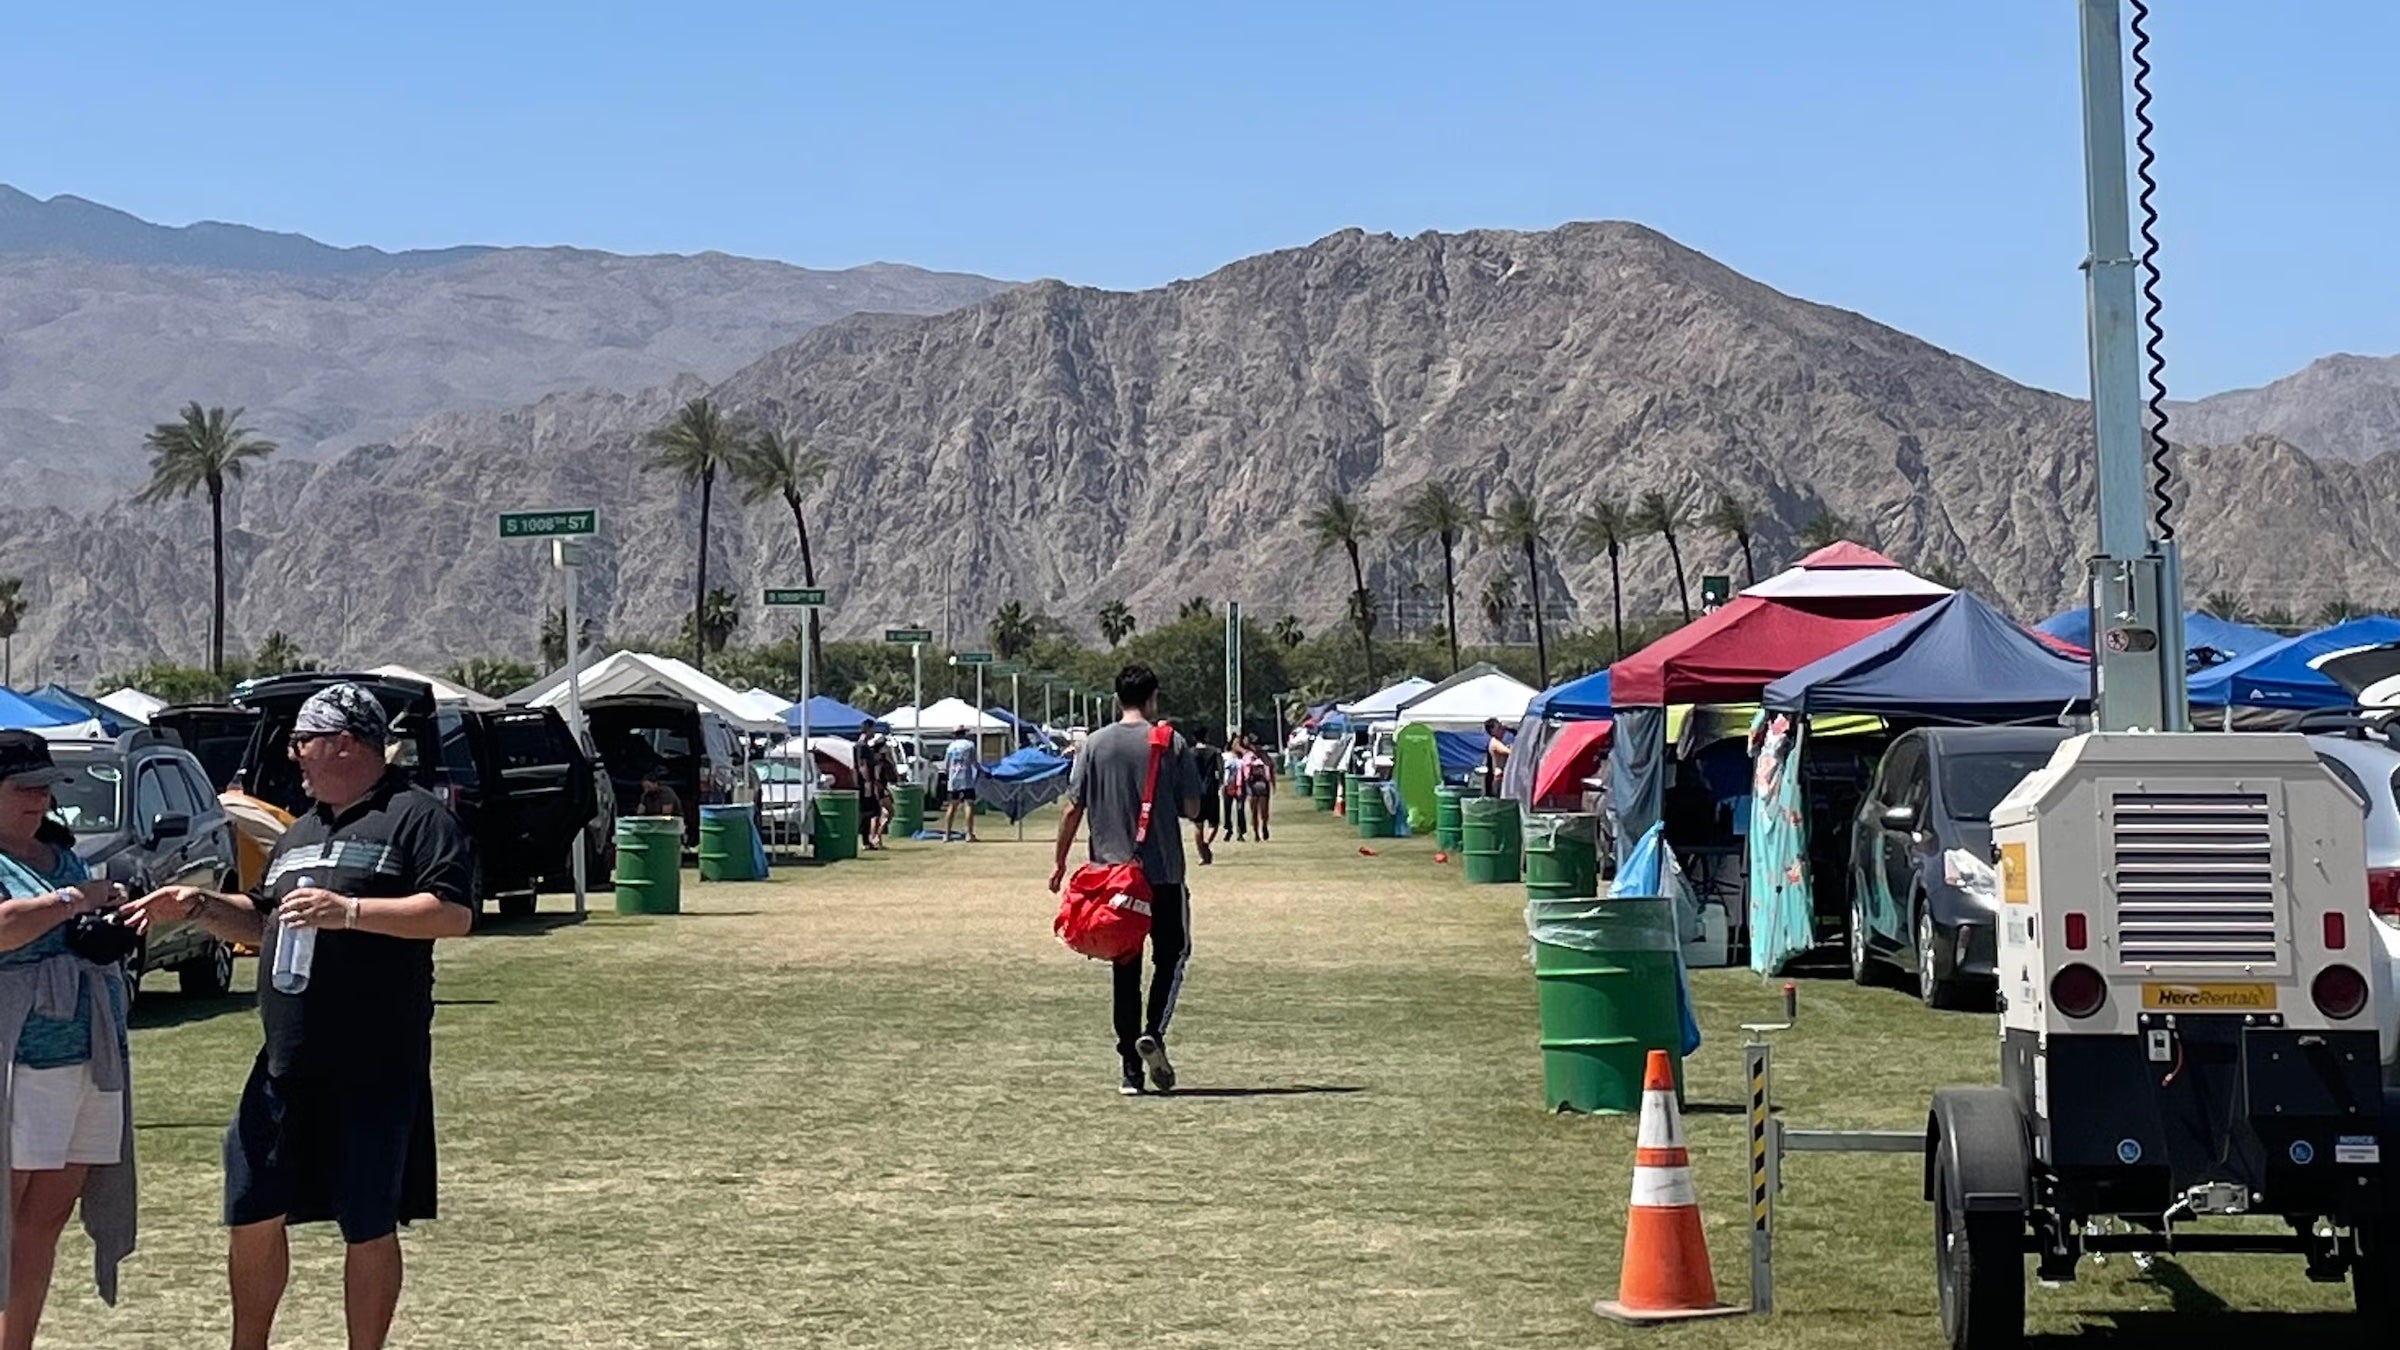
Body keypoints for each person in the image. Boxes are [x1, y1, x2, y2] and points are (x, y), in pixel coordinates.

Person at [127, 682, 476, 1350]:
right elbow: (264, 921)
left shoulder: (417, 817)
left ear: (345, 743)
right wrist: (200, 906)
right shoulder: (301, 832)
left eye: (302, 743)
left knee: (368, 1219)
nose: (295, 758)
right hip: (286, 1061)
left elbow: (453, 913)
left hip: (376, 1060)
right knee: (251, 1203)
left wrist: (348, 913)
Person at [0, 732, 135, 1349]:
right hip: (20, 1059)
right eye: (24, 788)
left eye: (45, 788)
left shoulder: (62, 853)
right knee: (5, 1215)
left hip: (87, 1053)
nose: (40, 800)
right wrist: (75, 901)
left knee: (44, 1221)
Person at [1047, 664, 1203, 1096]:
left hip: (1112, 880)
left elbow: (1072, 809)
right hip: (1164, 875)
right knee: (1172, 955)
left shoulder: (1093, 745)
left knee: (1124, 967)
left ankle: (1130, 1071)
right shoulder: (1170, 741)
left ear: (1118, 699)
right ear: (1152, 698)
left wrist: (1060, 863)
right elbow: (1192, 807)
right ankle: (1153, 1030)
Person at [1188, 729, 1223, 866]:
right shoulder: (1215, 752)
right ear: (1206, 737)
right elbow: (1220, 770)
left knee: (1198, 824)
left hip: (1195, 790)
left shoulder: (1190, 753)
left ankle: (1202, 854)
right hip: (1211, 789)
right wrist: (1221, 783)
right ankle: (1206, 844)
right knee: (1214, 823)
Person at [939, 727, 980, 842]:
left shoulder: (950, 747)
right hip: (966, 779)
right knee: (969, 805)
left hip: (953, 780)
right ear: (964, 733)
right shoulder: (969, 745)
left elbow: (946, 765)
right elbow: (974, 762)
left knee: (952, 806)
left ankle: (947, 834)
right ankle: (969, 834)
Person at [1241, 735, 1274, 842]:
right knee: (1253, 810)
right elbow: (1243, 772)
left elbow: (1271, 769)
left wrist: (1272, 783)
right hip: (1251, 783)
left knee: (1264, 810)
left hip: (1263, 783)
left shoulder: (1265, 756)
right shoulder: (1247, 756)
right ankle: (1256, 833)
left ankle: (1264, 825)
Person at [1219, 733, 1248, 842]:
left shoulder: (1245, 757)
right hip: (1228, 785)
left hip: (1241, 785)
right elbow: (1222, 770)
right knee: (1227, 809)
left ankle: (1241, 832)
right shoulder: (1225, 756)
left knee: (1240, 809)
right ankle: (1228, 829)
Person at [1483, 718, 1514, 798]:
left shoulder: (1501, 742)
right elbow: (1510, 752)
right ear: (1492, 731)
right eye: (1499, 728)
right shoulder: (1495, 743)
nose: (1502, 729)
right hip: (1499, 777)